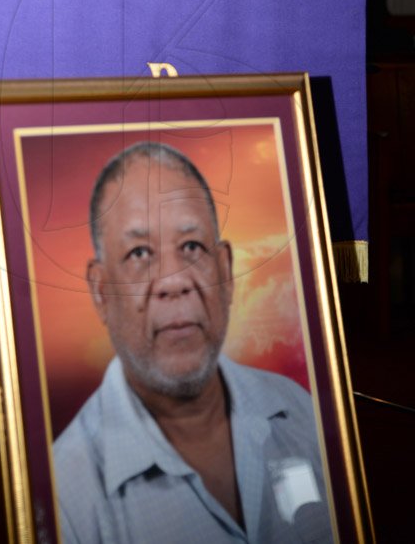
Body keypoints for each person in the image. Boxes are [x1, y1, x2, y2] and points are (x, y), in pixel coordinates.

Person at [53, 141, 334, 543]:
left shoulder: (301, 413)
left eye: (191, 247)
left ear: (225, 269)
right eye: (139, 253)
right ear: (100, 291)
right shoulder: (65, 496)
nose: (174, 281)